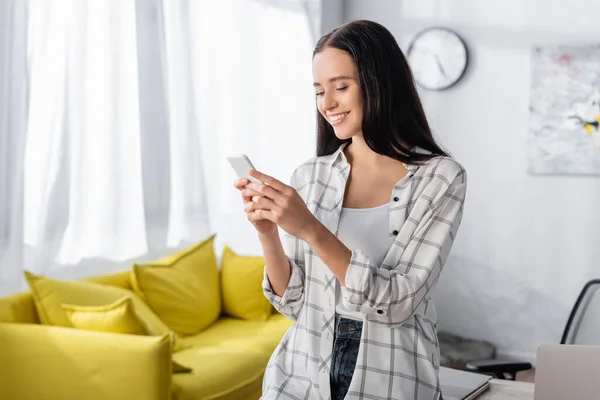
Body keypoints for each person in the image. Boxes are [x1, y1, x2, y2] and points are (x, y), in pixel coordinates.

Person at [233, 20, 467, 400]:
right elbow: (293, 301)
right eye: (319, 91)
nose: (327, 104)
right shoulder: (310, 175)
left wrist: (311, 229)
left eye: (341, 87)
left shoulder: (440, 178)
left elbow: (398, 302)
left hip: (392, 372)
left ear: (380, 83)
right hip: (301, 371)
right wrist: (268, 233)